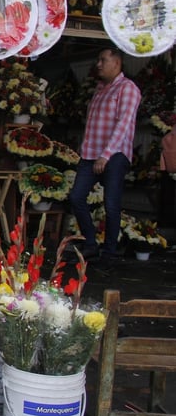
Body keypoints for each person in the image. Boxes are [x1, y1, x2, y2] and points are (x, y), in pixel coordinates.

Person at [68, 46, 141, 261]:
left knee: (111, 204)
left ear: (117, 63)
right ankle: (91, 243)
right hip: (91, 153)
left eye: (103, 60)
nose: (98, 64)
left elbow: (124, 124)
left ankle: (109, 252)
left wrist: (106, 155)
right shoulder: (100, 89)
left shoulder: (127, 88)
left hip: (114, 154)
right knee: (76, 197)